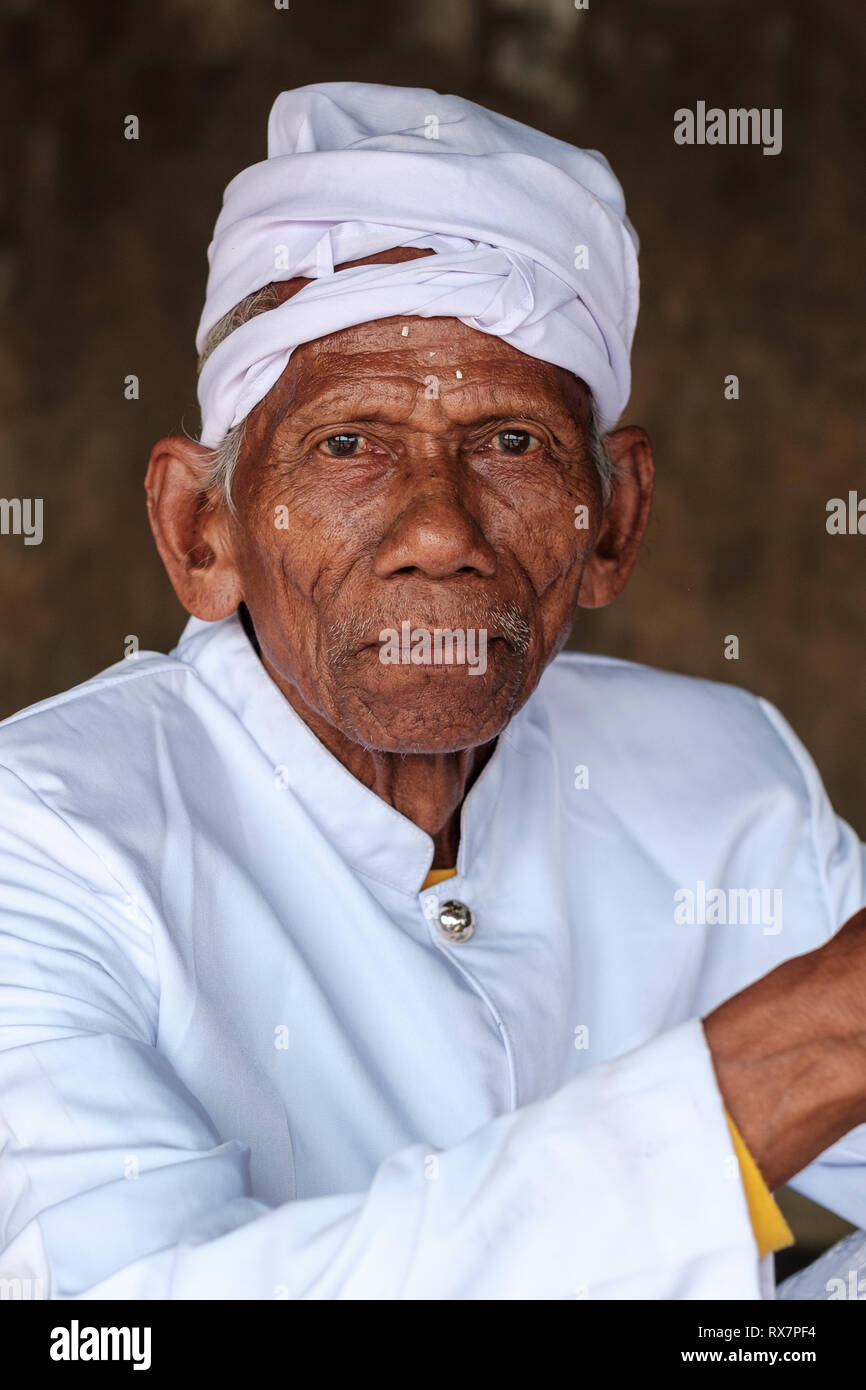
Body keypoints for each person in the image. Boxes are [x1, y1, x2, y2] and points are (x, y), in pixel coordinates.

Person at [0, 81, 864, 1301]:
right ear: (204, 531)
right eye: (348, 444)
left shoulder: (729, 776)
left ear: (612, 520)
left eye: (511, 443)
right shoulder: (41, 836)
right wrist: (798, 1056)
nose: (439, 531)